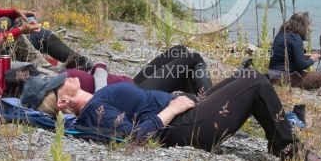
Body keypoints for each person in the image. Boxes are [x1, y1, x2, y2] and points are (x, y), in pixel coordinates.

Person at [22, 69, 321, 161]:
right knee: (255, 82)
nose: (66, 76)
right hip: (188, 126)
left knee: (247, 75)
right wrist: (171, 109)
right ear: (62, 101)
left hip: (188, 113)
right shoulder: (94, 111)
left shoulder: (96, 100)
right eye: (58, 81)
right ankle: (288, 151)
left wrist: (171, 100)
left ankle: (282, 137)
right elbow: (135, 137)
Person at [66, 45, 212, 95]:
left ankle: (198, 105)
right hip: (137, 93)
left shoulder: (59, 81)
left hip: (131, 83)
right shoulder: (61, 91)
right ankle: (213, 105)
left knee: (179, 51)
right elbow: (99, 95)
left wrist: (96, 68)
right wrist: (98, 68)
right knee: (194, 58)